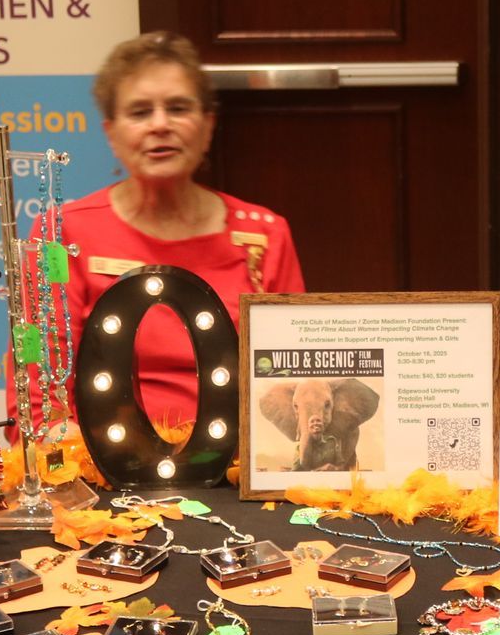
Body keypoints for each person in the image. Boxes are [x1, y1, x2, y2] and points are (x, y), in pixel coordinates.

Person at [36, 32, 304, 428]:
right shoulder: (63, 232)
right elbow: (44, 396)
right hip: (104, 471)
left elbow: (295, 383)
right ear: (111, 133)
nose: (160, 125)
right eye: (140, 112)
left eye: (178, 108)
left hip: (238, 467)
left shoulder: (267, 235)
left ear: (208, 125)